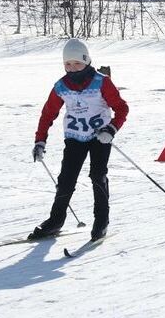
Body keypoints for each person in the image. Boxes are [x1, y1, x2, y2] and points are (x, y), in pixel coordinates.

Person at [29, 38, 129, 241]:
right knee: (66, 179)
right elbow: (48, 114)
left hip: (100, 137)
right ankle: (56, 221)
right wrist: (40, 140)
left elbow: (121, 108)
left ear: (87, 62)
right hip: (75, 138)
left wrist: (111, 129)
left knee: (97, 175)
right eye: (68, 64)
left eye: (77, 63)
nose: (72, 68)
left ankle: (101, 220)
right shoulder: (61, 86)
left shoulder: (102, 82)